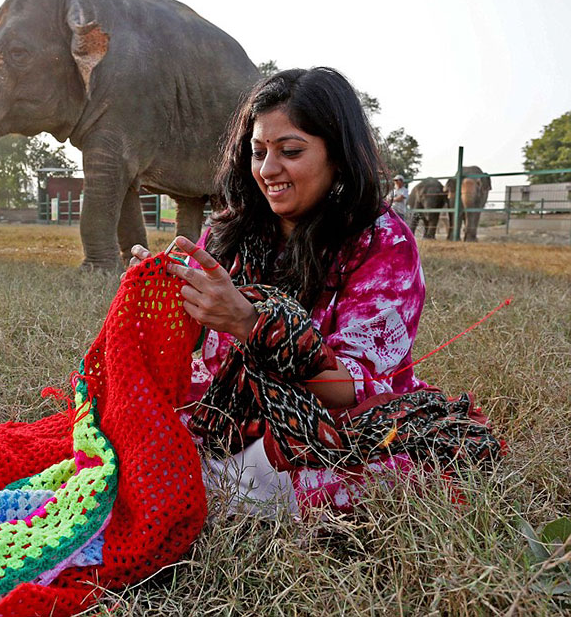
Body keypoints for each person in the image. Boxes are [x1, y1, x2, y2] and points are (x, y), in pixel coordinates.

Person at [130, 67, 501, 515]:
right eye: (258, 151)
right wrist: (168, 304)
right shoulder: (228, 232)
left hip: (336, 423)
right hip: (228, 417)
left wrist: (252, 326)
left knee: (368, 473)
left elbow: (350, 390)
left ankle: (216, 484)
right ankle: (215, 481)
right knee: (132, 433)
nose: (268, 170)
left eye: (290, 151)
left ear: (338, 156)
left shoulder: (382, 243)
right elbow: (194, 352)